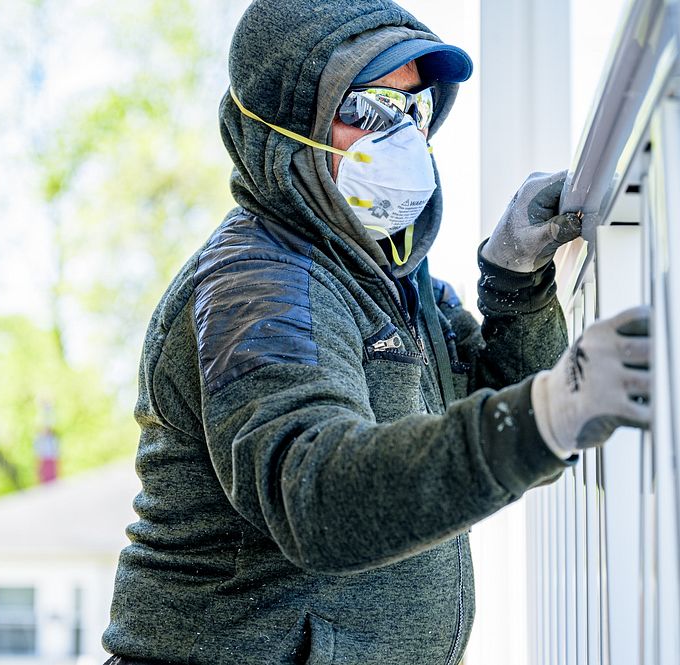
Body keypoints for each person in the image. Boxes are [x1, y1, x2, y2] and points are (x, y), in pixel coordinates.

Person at [101, 0, 650, 663]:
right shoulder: (258, 289)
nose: (404, 138)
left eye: (414, 111)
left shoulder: (393, 281)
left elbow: (505, 417)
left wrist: (515, 281)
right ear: (281, 128)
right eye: (366, 111)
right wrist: (551, 411)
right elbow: (320, 497)